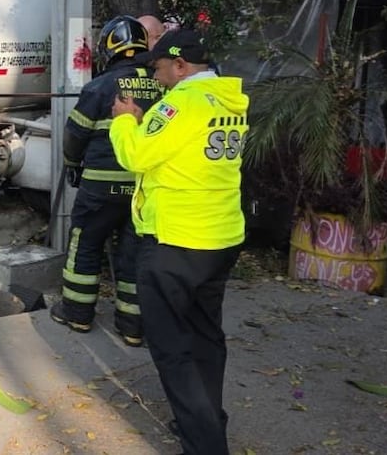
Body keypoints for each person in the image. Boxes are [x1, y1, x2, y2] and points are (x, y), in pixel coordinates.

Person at [109, 29, 247, 455]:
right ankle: (209, 421)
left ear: (181, 66)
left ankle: (204, 444)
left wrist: (123, 121)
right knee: (206, 335)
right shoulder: (228, 101)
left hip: (175, 241)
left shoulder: (180, 103)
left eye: (160, 67)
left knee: (171, 348)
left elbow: (136, 156)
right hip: (221, 237)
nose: (156, 74)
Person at [50, 16, 163, 346]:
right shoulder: (162, 88)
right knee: (135, 254)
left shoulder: (99, 87)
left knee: (85, 245)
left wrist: (72, 165)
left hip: (99, 187)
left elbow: (75, 134)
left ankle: (77, 314)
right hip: (143, 190)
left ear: (109, 48)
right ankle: (132, 326)